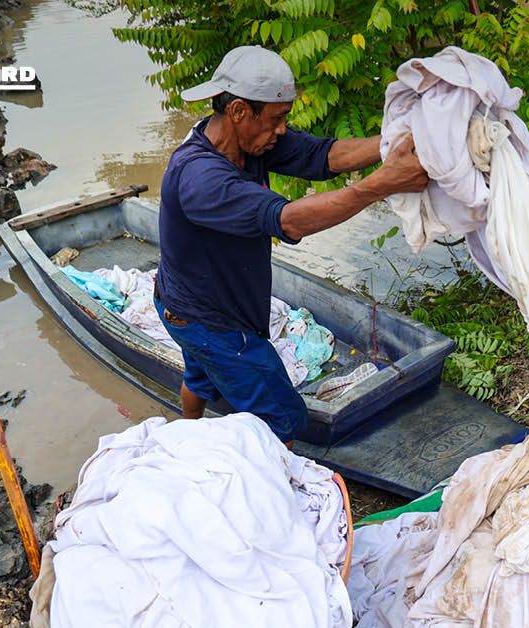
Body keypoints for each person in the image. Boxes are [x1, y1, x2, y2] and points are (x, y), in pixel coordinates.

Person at [153, 46, 428, 446]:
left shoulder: (248, 141)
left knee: (199, 375)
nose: (282, 130)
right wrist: (382, 183)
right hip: (211, 321)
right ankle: (284, 485)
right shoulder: (201, 178)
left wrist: (398, 141)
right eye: (277, 119)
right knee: (284, 416)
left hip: (183, 303)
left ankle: (186, 436)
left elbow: (324, 155)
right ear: (239, 112)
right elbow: (288, 219)